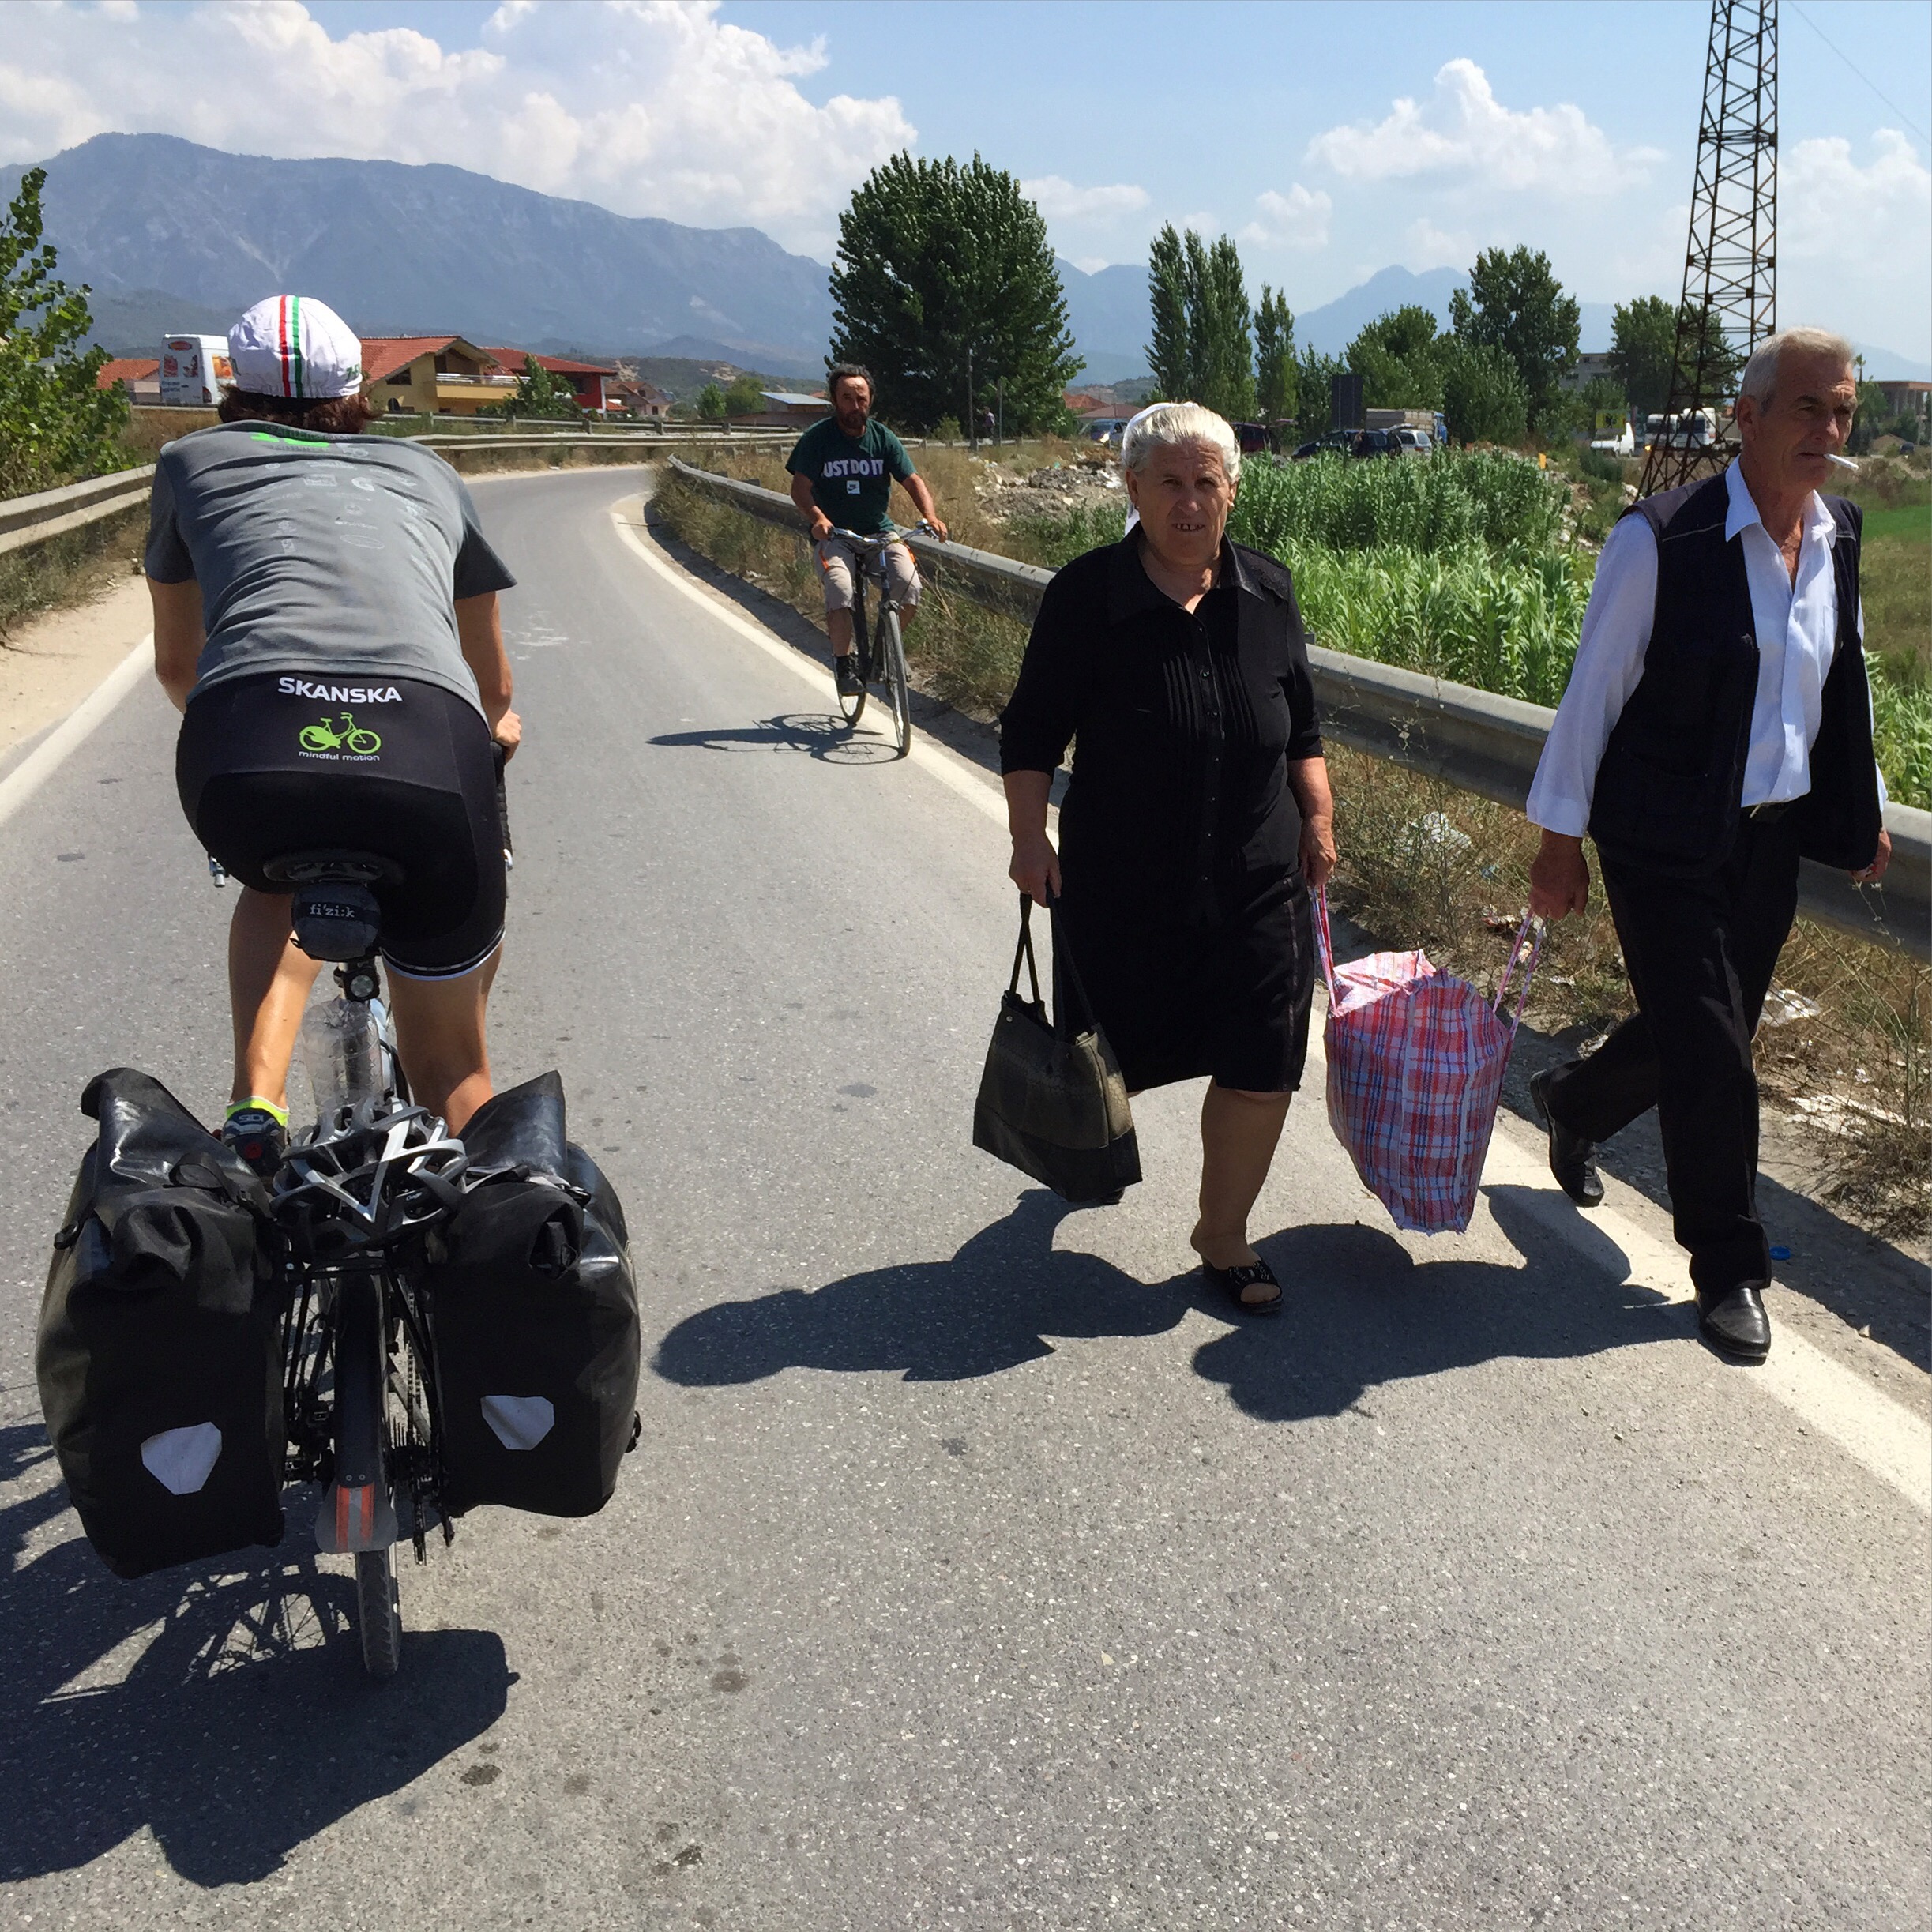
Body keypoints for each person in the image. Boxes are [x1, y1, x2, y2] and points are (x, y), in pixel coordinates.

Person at [1524, 327, 1890, 1365]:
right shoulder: (1661, 540)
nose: (1828, 430)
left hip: (1767, 841)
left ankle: (1575, 1100)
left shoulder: (1836, 536)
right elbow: (1590, 698)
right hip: (1658, 838)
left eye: (1841, 411)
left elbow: (1842, 678)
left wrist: (1860, 806)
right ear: (1746, 416)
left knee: (1702, 1030)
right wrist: (1558, 846)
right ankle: (1728, 1266)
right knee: (1716, 1049)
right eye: (1808, 408)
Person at [145, 294, 522, 1167]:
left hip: (248, 741)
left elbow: (176, 665)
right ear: (358, 390)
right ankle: (482, 1201)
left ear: (233, 389)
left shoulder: (189, 462)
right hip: (426, 742)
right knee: (456, 1064)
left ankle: (254, 1102)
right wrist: (500, 726)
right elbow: (494, 687)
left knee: (275, 875)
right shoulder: (428, 473)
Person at [998, 402, 1336, 1316]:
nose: (1190, 503)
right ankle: (1078, 1157)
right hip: (1124, 884)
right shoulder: (1087, 597)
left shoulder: (1269, 592)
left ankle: (1222, 1235)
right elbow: (1031, 730)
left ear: (1233, 490)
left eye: (1206, 483)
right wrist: (1028, 838)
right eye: (1169, 483)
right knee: (1108, 1063)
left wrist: (1317, 816)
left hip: (1258, 879)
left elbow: (1302, 727)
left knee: (1263, 1061)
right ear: (1133, 488)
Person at [784, 364, 949, 697]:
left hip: (879, 533)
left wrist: (930, 516)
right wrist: (818, 518)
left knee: (909, 586)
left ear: (870, 400)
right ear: (835, 401)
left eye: (861, 398)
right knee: (840, 590)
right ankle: (844, 663)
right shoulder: (818, 438)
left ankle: (886, 651)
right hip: (836, 536)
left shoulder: (882, 438)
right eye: (847, 398)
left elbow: (912, 481)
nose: (855, 406)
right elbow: (800, 488)